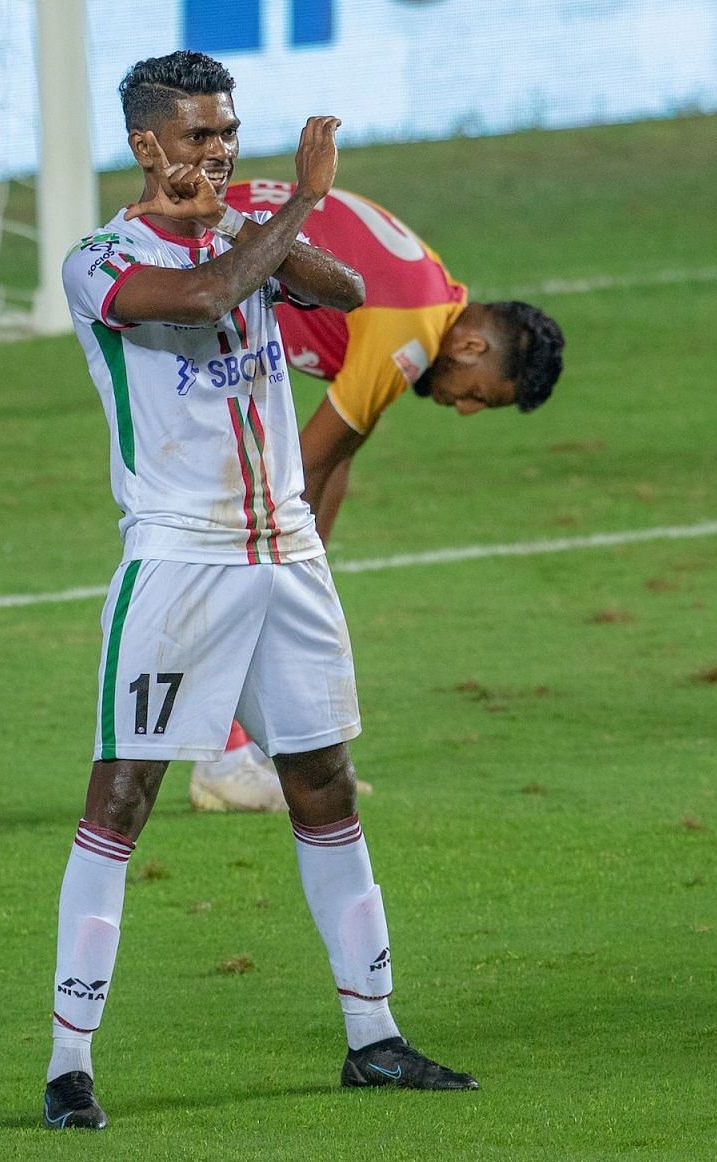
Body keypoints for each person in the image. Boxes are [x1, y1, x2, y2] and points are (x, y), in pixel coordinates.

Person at [44, 50, 476, 1130]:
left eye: (229, 132)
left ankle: (373, 1038)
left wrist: (250, 222)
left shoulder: (246, 234)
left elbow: (344, 288)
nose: (222, 151)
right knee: (122, 799)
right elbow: (197, 297)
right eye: (199, 136)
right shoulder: (97, 260)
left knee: (322, 783)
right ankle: (68, 1065)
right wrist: (301, 206)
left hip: (287, 548)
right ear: (148, 145)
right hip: (180, 561)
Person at [187, 182, 566, 812]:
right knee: (228, 557)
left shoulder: (433, 295)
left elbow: (338, 457)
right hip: (191, 271)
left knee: (260, 568)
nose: (466, 410)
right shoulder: (409, 337)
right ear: (472, 347)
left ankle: (261, 750)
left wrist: (305, 566)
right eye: (480, 394)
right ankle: (222, 759)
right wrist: (281, 570)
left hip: (211, 274)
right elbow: (303, 464)